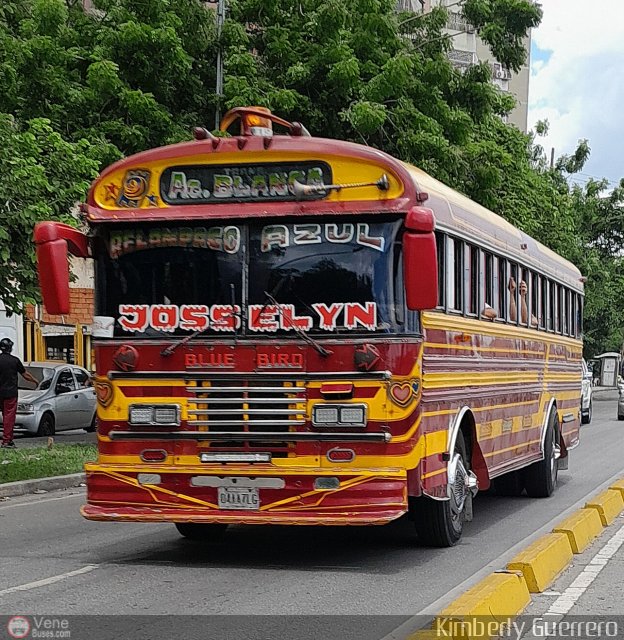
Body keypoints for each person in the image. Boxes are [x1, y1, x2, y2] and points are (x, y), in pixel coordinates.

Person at [0, 338, 37, 449]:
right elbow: (25, 375)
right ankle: (6, 441)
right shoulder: (14, 361)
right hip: (10, 393)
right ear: (10, 348)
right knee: (9, 417)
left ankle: (9, 440)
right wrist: (35, 381)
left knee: (5, 416)